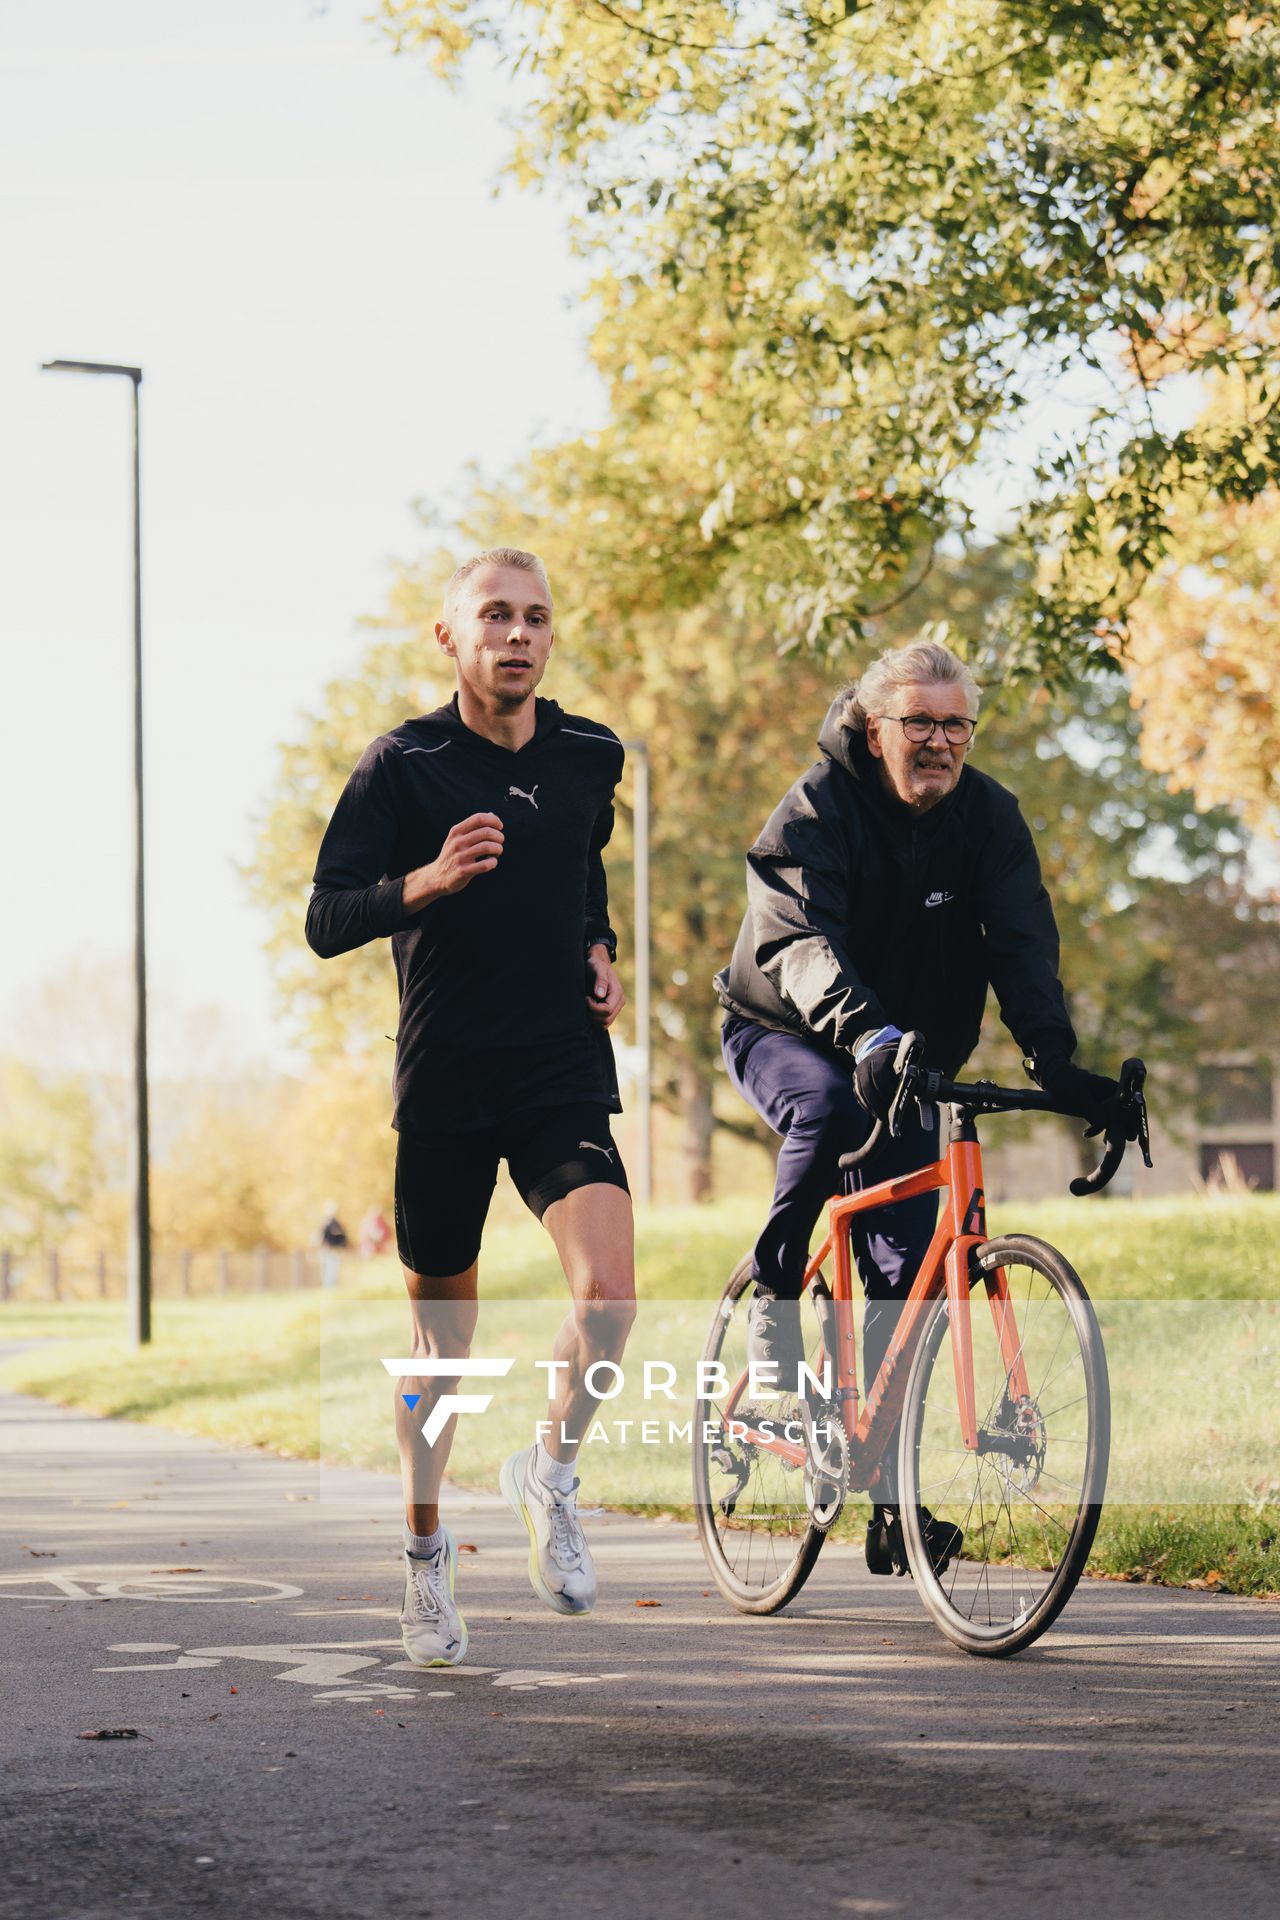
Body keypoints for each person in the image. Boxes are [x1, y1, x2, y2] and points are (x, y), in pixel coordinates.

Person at [715, 639, 1123, 1577]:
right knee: (820, 1112)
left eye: (955, 725)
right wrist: (864, 1032)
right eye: (919, 723)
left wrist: (1059, 1067)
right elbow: (799, 934)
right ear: (874, 725)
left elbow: (1022, 944)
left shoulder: (989, 818)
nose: (938, 741)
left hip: (909, 1054)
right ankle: (777, 1298)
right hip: (790, 1027)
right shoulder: (819, 804)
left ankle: (890, 1497)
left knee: (908, 1272)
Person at [306, 546, 635, 1667]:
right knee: (440, 1352)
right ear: (450, 637)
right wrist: (427, 883)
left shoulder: (591, 754)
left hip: (557, 1068)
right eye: (494, 615)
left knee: (610, 1299)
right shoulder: (401, 763)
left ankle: (548, 1470)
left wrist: (599, 947)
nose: (517, 634)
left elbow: (579, 871)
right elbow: (326, 915)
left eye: (536, 617)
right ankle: (424, 1554)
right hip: (447, 1075)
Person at [317, 1205, 348, 1290]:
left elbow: (342, 1237)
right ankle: (328, 1287)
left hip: (333, 1250)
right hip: (328, 1250)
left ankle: (330, 1287)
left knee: (332, 1270)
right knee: (328, 1270)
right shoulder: (327, 1224)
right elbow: (322, 1237)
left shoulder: (336, 1224)